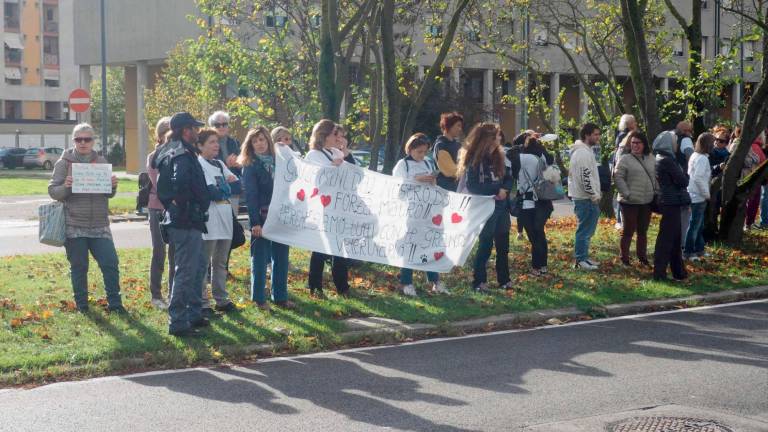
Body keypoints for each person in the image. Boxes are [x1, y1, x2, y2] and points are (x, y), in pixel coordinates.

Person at [48, 123, 124, 314]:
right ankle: (83, 306)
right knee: (79, 267)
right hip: (74, 224)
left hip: (100, 225)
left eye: (87, 139)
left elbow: (107, 194)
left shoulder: (101, 161)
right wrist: (66, 186)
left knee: (110, 264)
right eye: (78, 139)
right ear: (73, 141)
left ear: (92, 141)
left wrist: (112, 186)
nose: (82, 143)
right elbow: (53, 192)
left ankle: (115, 304)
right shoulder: (64, 163)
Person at [154, 112, 211, 337]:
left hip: (185, 218)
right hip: (185, 219)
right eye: (194, 128)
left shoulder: (173, 150)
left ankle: (193, 313)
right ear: (186, 130)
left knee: (197, 266)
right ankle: (178, 320)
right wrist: (191, 200)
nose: (197, 132)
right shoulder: (182, 154)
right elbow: (179, 182)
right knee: (186, 271)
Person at [240, 126, 294, 310]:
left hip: (280, 215)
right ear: (250, 145)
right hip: (261, 217)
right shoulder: (250, 165)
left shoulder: (280, 162)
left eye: (262, 140)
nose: (259, 144)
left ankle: (280, 296)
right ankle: (259, 298)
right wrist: (254, 222)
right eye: (255, 141)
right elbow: (251, 196)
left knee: (281, 257)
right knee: (260, 258)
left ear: (268, 141)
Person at [392, 133, 448, 295]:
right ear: (410, 150)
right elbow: (397, 188)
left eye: (424, 152)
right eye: (419, 152)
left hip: (429, 213)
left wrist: (431, 180)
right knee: (411, 246)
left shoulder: (428, 163)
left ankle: (435, 281)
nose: (422, 155)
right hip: (411, 213)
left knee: (430, 245)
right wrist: (417, 179)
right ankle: (406, 282)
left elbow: (434, 185)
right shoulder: (403, 165)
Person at [458, 123, 512, 291]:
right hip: (485, 207)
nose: (499, 138)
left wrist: (505, 189)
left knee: (503, 245)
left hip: (501, 206)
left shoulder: (500, 155)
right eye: (496, 136)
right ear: (487, 139)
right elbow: (473, 186)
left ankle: (504, 279)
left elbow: (509, 177)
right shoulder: (474, 158)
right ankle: (479, 281)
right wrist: (497, 190)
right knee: (486, 244)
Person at [305, 119, 350, 298]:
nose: (337, 137)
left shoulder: (335, 152)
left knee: (340, 248)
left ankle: (342, 286)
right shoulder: (313, 155)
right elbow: (315, 178)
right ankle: (315, 286)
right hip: (322, 208)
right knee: (321, 248)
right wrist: (334, 165)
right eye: (334, 134)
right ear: (323, 135)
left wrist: (346, 154)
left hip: (338, 207)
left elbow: (353, 173)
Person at [196, 128, 238, 315]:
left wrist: (223, 187)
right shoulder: (199, 164)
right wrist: (225, 186)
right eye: (211, 142)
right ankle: (202, 302)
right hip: (210, 219)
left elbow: (238, 184)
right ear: (200, 145)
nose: (215, 145)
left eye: (216, 142)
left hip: (225, 216)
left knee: (221, 262)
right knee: (204, 262)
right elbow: (210, 191)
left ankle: (221, 299)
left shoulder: (220, 163)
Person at [613, 130, 656, 266]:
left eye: (638, 143)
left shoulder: (650, 158)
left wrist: (656, 191)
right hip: (629, 202)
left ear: (644, 144)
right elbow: (617, 177)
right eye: (632, 143)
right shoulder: (625, 158)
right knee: (628, 231)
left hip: (647, 201)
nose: (635, 145)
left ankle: (642, 257)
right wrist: (627, 193)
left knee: (643, 231)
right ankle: (624, 258)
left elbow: (655, 177)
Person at [514, 136, 555, 276]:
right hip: (543, 202)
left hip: (527, 202)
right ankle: (543, 266)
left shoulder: (523, 158)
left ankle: (536, 267)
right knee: (540, 234)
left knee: (533, 237)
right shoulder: (544, 157)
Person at [652, 131, 690, 282]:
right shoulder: (667, 160)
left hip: (670, 201)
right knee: (667, 239)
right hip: (671, 201)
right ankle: (660, 273)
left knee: (675, 239)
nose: (677, 144)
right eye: (675, 141)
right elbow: (683, 181)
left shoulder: (661, 158)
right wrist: (685, 174)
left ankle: (678, 271)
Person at [146, 117, 174, 309]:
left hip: (175, 209)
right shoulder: (154, 156)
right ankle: (156, 295)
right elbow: (159, 184)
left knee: (175, 253)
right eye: (166, 132)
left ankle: (174, 292)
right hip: (157, 207)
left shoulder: (180, 153)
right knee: (159, 251)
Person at [568, 123, 602, 270]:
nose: (598, 137)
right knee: (584, 231)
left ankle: (584, 258)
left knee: (587, 231)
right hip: (585, 199)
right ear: (587, 135)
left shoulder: (585, 151)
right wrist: (593, 195)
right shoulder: (582, 153)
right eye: (595, 134)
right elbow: (585, 177)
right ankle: (581, 260)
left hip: (586, 198)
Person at [684, 133, 714, 261]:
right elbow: (698, 178)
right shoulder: (702, 159)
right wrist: (706, 194)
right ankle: (689, 251)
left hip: (694, 194)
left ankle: (699, 249)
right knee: (695, 225)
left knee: (699, 224)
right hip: (698, 196)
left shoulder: (695, 156)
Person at [208, 111, 242, 214]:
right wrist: (225, 164)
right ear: (211, 126)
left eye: (224, 124)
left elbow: (243, 164)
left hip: (233, 189)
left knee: (233, 222)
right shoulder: (207, 143)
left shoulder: (235, 142)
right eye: (217, 125)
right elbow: (206, 164)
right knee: (220, 223)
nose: (221, 127)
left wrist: (239, 164)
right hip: (217, 190)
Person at [612, 114, 638, 229]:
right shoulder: (625, 136)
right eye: (634, 122)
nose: (636, 124)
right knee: (623, 195)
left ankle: (621, 220)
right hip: (624, 170)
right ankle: (620, 220)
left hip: (620, 169)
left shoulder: (620, 135)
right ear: (628, 124)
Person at [674, 121, 694, 245]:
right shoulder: (686, 140)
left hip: (673, 177)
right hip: (684, 178)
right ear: (686, 131)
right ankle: (684, 242)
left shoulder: (673, 138)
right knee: (685, 212)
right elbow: (690, 158)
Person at [433, 111, 464, 191]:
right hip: (445, 189)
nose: (460, 129)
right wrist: (468, 174)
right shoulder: (441, 145)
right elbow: (450, 171)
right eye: (458, 125)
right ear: (449, 126)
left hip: (458, 187)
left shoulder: (458, 145)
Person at [743, 132, 767, 229]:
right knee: (754, 201)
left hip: (746, 178)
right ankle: (749, 223)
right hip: (754, 178)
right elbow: (763, 162)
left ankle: (748, 223)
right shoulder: (756, 146)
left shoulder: (747, 145)